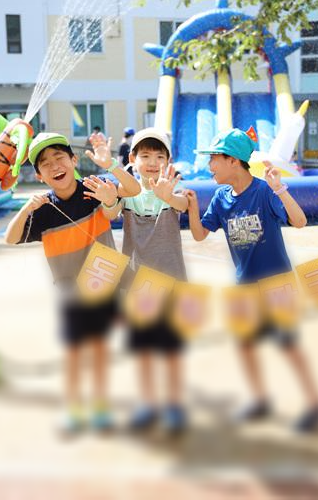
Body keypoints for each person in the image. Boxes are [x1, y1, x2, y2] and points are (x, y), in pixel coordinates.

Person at [184, 128, 318, 433]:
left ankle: (315, 403)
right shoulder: (221, 198)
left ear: (233, 160)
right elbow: (199, 234)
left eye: (213, 159)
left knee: (288, 346)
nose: (209, 166)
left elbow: (300, 221)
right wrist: (193, 208)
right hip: (244, 286)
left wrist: (281, 190)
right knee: (245, 345)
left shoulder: (263, 191)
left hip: (278, 285)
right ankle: (260, 400)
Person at [4, 132, 141, 436]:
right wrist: (26, 208)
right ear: (39, 176)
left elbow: (133, 189)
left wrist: (110, 168)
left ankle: (100, 406)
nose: (55, 165)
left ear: (74, 160)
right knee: (75, 352)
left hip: (102, 280)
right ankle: (75, 407)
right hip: (69, 289)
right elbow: (10, 238)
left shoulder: (93, 188)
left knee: (99, 348)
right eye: (45, 163)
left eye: (59, 157)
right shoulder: (42, 210)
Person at [113, 127, 191, 436]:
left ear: (168, 161)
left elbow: (182, 205)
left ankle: (173, 404)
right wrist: (110, 196)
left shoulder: (173, 189)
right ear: (132, 159)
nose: (152, 162)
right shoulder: (127, 193)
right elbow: (110, 211)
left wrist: (168, 196)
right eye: (145, 155)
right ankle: (147, 403)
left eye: (160, 156)